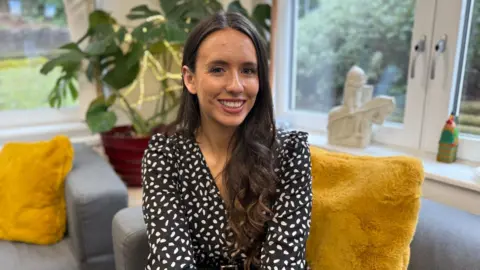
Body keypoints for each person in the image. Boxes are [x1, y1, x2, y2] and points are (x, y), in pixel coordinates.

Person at [141, 11, 312, 270]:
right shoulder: (164, 155)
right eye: (218, 69)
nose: (236, 85)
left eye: (248, 70)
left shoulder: (290, 153)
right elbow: (170, 260)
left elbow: (283, 261)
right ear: (190, 79)